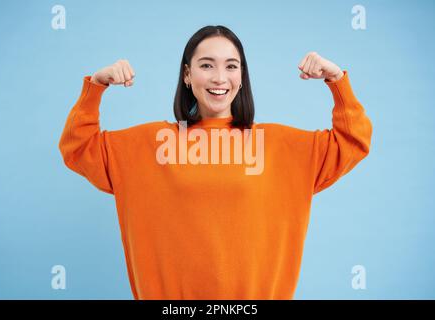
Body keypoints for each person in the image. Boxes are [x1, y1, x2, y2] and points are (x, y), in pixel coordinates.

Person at [58, 25, 372, 300]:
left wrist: (336, 80)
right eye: (206, 65)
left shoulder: (279, 146)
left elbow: (352, 140)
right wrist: (95, 88)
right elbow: (78, 147)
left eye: (231, 66)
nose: (220, 77)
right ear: (187, 74)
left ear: (241, 76)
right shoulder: (152, 143)